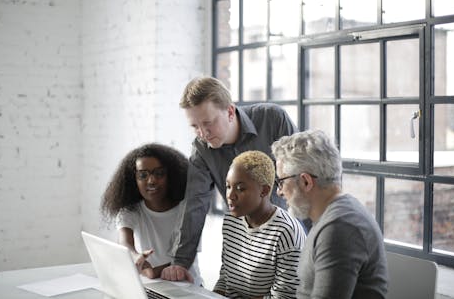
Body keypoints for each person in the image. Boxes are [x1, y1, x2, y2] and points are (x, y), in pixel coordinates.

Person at [161, 76, 299, 282]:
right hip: (243, 243)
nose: (203, 133)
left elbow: (301, 182)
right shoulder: (201, 149)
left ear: (230, 112)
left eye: (208, 123)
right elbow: (194, 203)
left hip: (290, 240)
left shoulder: (273, 119)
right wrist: (180, 262)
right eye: (194, 126)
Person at [271, 130, 388, 299]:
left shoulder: (339, 228)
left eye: (281, 182)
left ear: (305, 181)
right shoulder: (331, 217)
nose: (279, 192)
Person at [100, 143, 202, 285]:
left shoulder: (187, 210)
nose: (151, 181)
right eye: (143, 175)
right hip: (152, 286)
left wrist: (152, 272)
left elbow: (185, 259)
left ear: (171, 176)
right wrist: (136, 257)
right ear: (133, 180)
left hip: (186, 286)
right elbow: (125, 243)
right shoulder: (131, 211)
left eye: (159, 173)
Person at [213, 150, 305, 298]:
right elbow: (225, 277)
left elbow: (284, 297)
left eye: (240, 188)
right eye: (228, 186)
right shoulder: (231, 220)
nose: (230, 195)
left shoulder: (286, 232)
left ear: (264, 190)